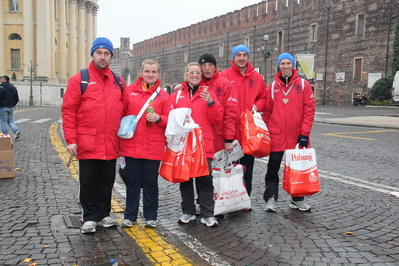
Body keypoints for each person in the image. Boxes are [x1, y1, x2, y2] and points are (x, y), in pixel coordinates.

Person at [62, 37, 125, 234]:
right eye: (99, 53)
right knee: (88, 181)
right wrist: (71, 140)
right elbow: (68, 110)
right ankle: (89, 216)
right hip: (88, 141)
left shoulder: (118, 80)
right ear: (92, 54)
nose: (103, 57)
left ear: (111, 56)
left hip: (110, 141)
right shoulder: (79, 79)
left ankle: (104, 214)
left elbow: (126, 108)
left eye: (107, 53)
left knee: (106, 181)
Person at [120, 59, 171, 229]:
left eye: (153, 72)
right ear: (141, 72)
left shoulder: (164, 96)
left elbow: (171, 120)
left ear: (158, 74)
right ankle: (130, 216)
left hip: (153, 146)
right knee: (132, 182)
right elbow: (120, 114)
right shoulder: (129, 91)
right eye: (147, 71)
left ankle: (151, 216)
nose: (150, 74)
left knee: (151, 183)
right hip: (132, 145)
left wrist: (159, 119)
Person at [262, 52, 315, 212]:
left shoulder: (304, 85)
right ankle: (271, 199)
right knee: (273, 168)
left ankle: (297, 200)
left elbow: (309, 110)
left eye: (288, 63)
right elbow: (267, 113)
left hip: (297, 136)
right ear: (279, 66)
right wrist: (266, 132)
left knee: (298, 169)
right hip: (276, 135)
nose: (285, 66)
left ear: (293, 65)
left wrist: (304, 134)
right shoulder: (272, 87)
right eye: (282, 64)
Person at [171, 62, 223, 227]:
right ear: (186, 74)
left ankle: (208, 213)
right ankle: (188, 212)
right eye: (191, 72)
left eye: (198, 73)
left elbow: (217, 118)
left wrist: (210, 102)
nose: (194, 75)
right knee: (185, 178)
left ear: (201, 76)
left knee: (205, 179)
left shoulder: (208, 93)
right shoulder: (178, 94)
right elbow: (170, 116)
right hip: (184, 143)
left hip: (203, 143)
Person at [220, 44, 267, 199]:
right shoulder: (224, 76)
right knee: (229, 168)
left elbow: (264, 98)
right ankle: (230, 198)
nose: (241, 58)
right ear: (233, 57)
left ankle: (245, 199)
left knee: (247, 168)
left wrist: (256, 105)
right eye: (238, 55)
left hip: (248, 133)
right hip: (230, 131)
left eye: (244, 55)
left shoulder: (257, 78)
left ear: (248, 57)